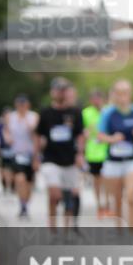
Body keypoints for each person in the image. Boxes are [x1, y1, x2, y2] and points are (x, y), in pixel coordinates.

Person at [34, 78, 85, 232]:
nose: (61, 92)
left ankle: (66, 228)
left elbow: (80, 135)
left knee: (69, 196)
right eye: (58, 89)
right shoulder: (46, 112)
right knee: (55, 194)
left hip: (69, 159)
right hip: (51, 159)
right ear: (52, 92)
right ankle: (52, 225)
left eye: (63, 89)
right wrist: (36, 156)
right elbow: (38, 135)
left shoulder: (75, 112)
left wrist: (80, 154)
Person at [97, 80, 133, 230]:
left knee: (130, 197)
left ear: (130, 94)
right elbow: (100, 136)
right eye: (119, 93)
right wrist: (112, 139)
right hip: (113, 162)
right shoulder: (108, 113)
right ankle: (119, 228)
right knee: (117, 198)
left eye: (125, 93)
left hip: (132, 160)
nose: (122, 96)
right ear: (114, 94)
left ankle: (132, 231)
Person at [4, 95, 39, 218]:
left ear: (27, 105)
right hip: (17, 153)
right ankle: (22, 205)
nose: (21, 107)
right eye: (19, 104)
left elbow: (35, 134)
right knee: (20, 180)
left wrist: (36, 157)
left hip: (30, 154)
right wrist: (7, 138)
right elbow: (6, 131)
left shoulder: (33, 116)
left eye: (23, 104)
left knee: (29, 184)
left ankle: (26, 203)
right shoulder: (11, 117)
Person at [82, 89, 111, 216]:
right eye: (94, 99)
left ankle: (108, 203)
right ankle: (99, 204)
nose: (96, 101)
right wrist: (87, 132)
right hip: (93, 152)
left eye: (98, 98)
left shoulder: (108, 111)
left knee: (107, 179)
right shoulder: (85, 113)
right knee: (97, 180)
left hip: (107, 150)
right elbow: (82, 131)